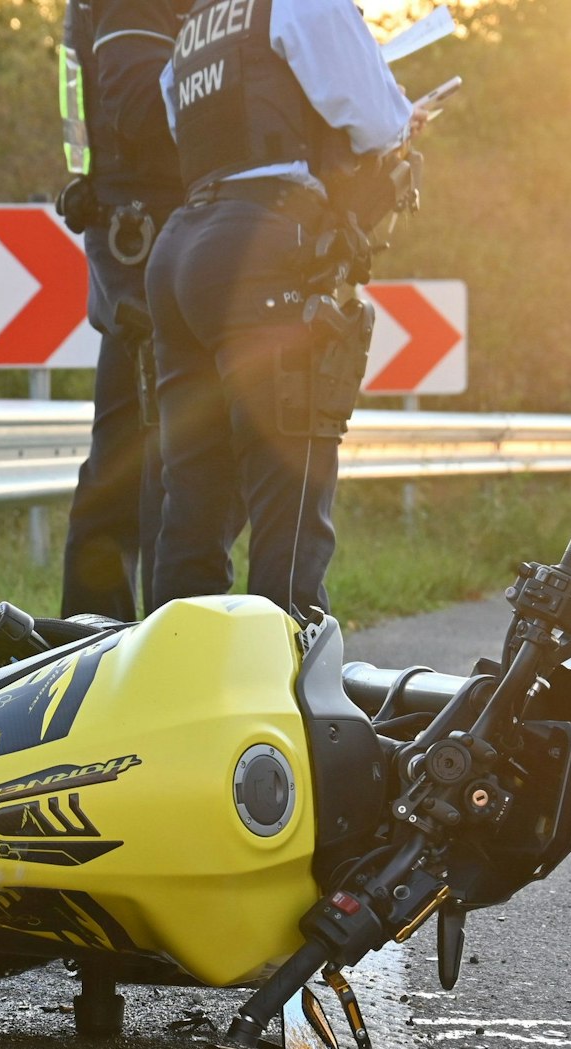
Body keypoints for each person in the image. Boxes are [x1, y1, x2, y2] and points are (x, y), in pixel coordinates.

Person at [145, 0, 427, 619]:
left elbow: (187, 130)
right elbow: (378, 122)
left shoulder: (197, 28)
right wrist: (407, 118)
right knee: (290, 483)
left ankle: (174, 662)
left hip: (181, 250)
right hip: (263, 243)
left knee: (193, 494)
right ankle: (290, 662)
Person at [55, 0, 189, 622]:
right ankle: (154, 647)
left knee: (123, 466)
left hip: (133, 232)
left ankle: (92, 643)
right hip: (150, 235)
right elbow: (143, 112)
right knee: (166, 462)